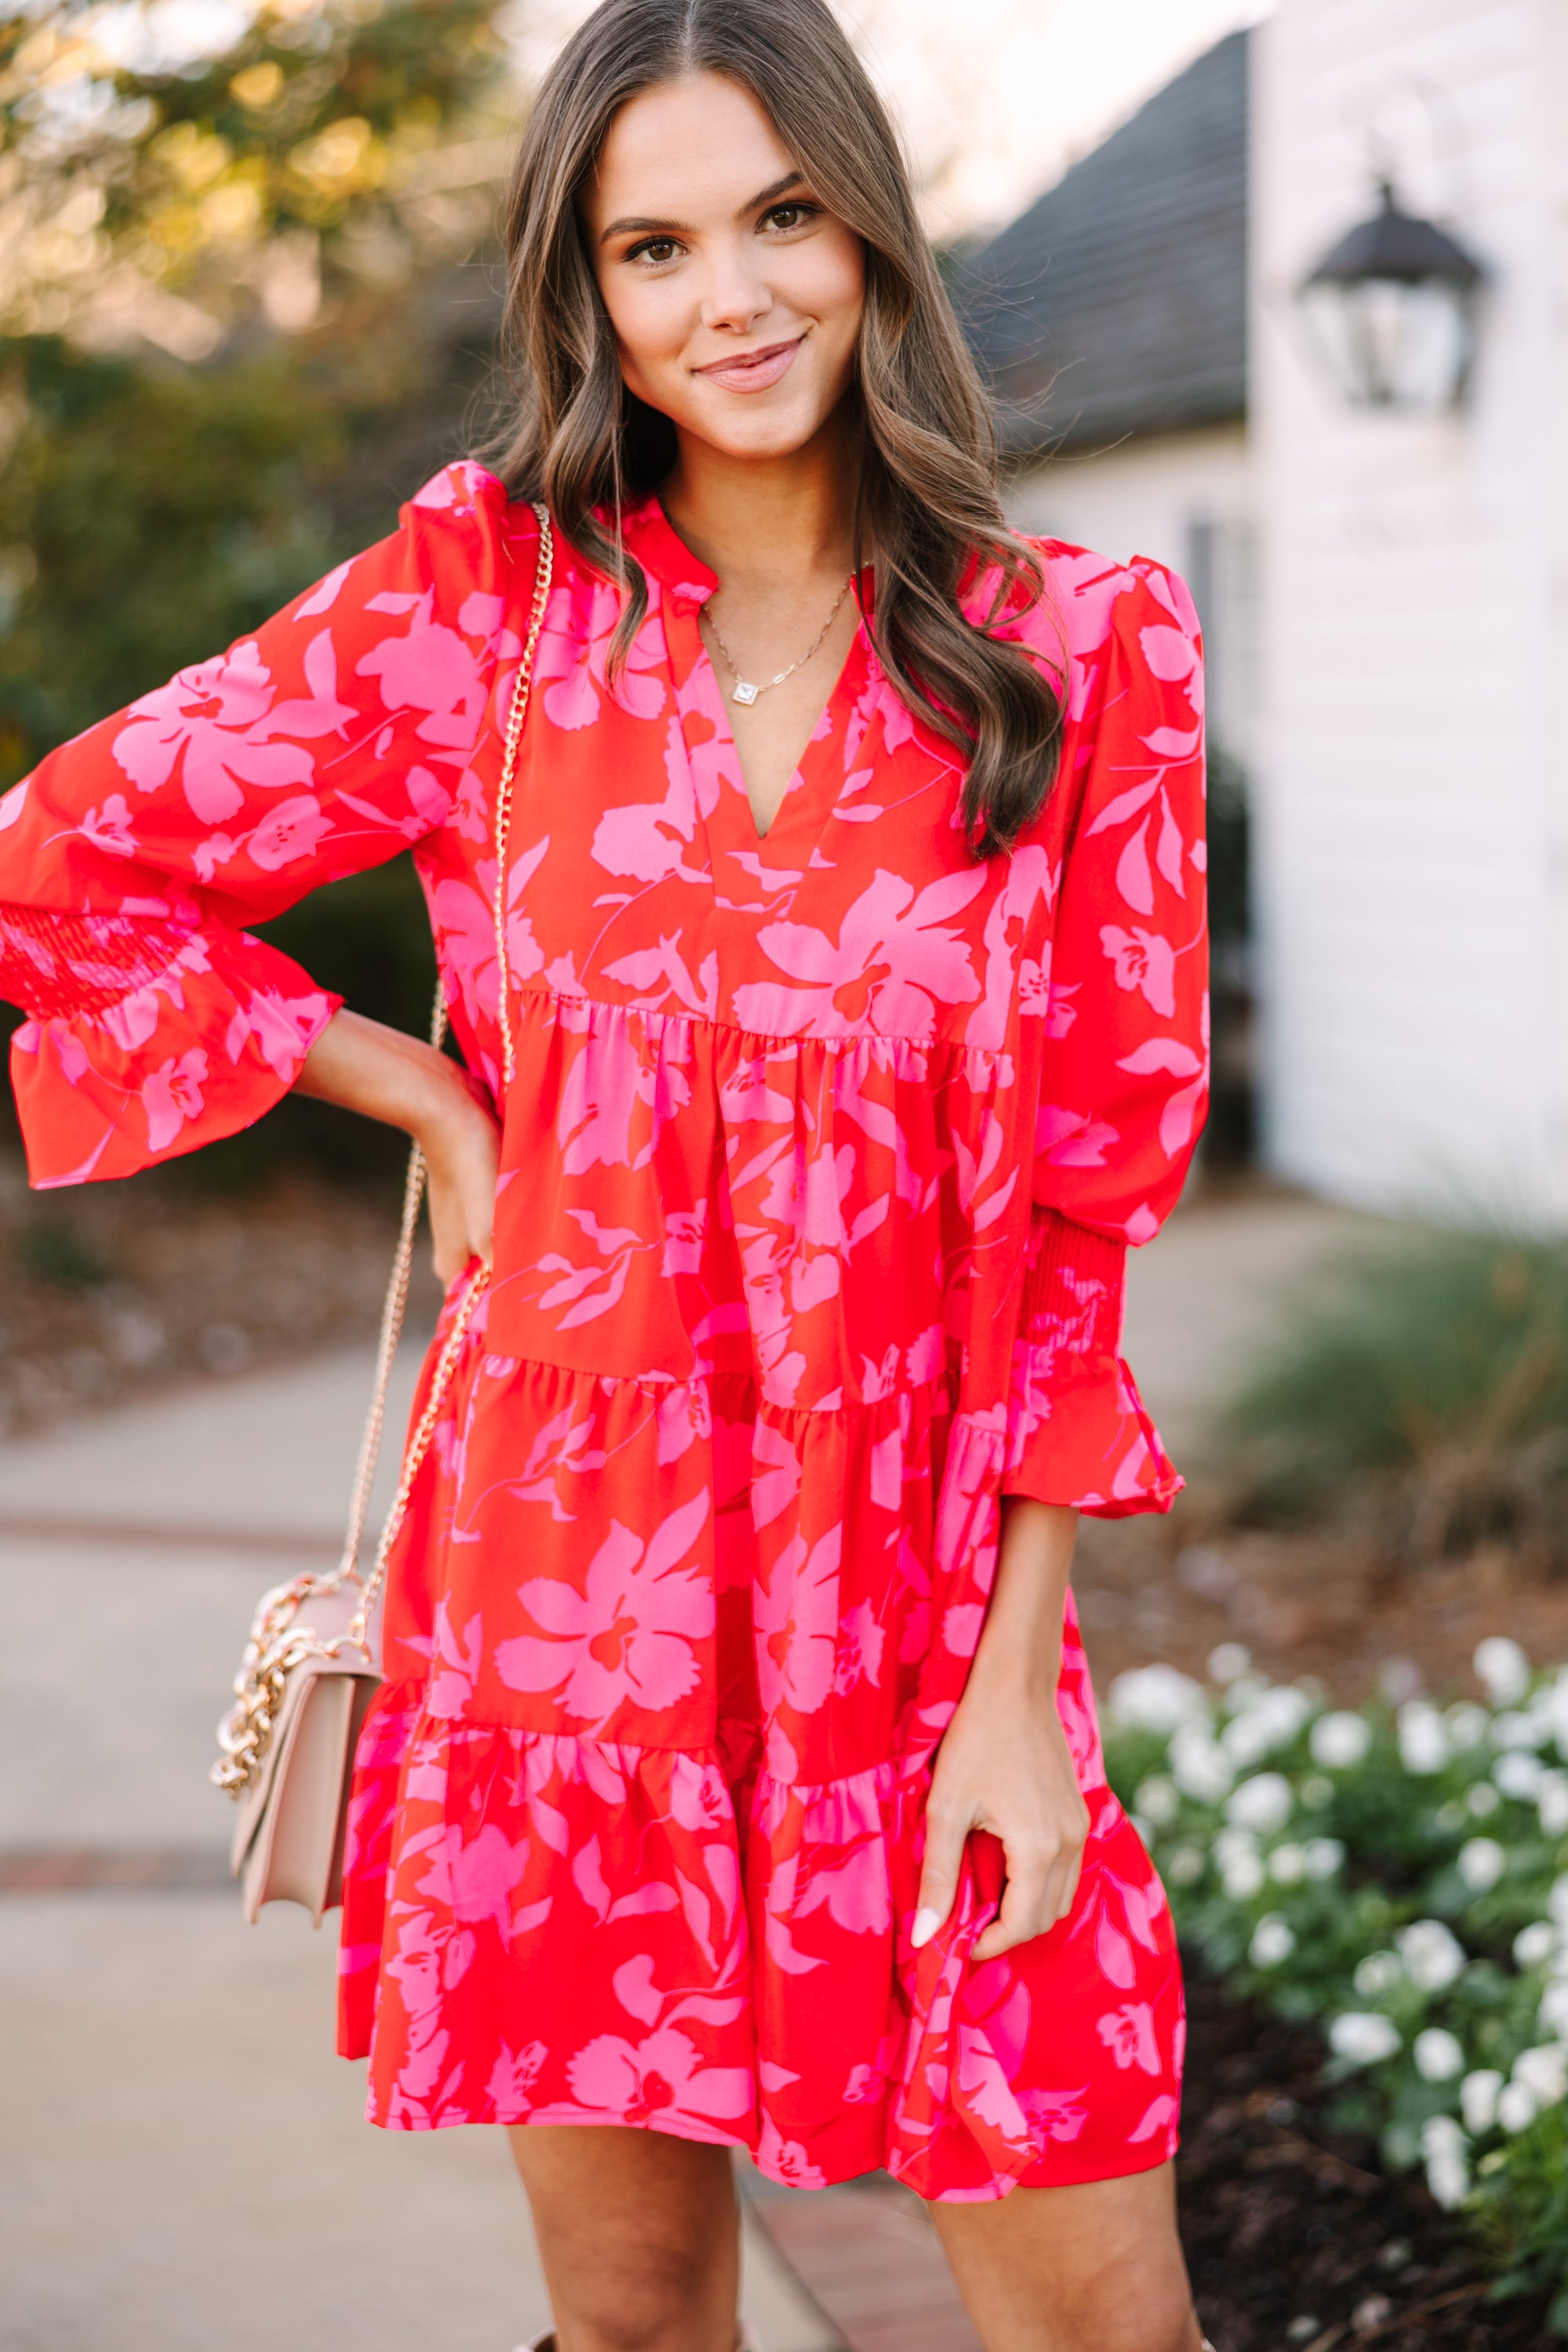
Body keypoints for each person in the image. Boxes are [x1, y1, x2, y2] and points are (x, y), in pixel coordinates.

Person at [0, 3, 1214, 2347]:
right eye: (654, 248)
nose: (731, 300)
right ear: (592, 292)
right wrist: (424, 1096)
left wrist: (1012, 1687)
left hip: (921, 1605)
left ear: (867, 218)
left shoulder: (1072, 657)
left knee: (1098, 2314)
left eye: (778, 216)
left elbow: (1083, 1215)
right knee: (641, 2321)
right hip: (566, 1606)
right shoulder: (482, 618)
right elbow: (60, 868)